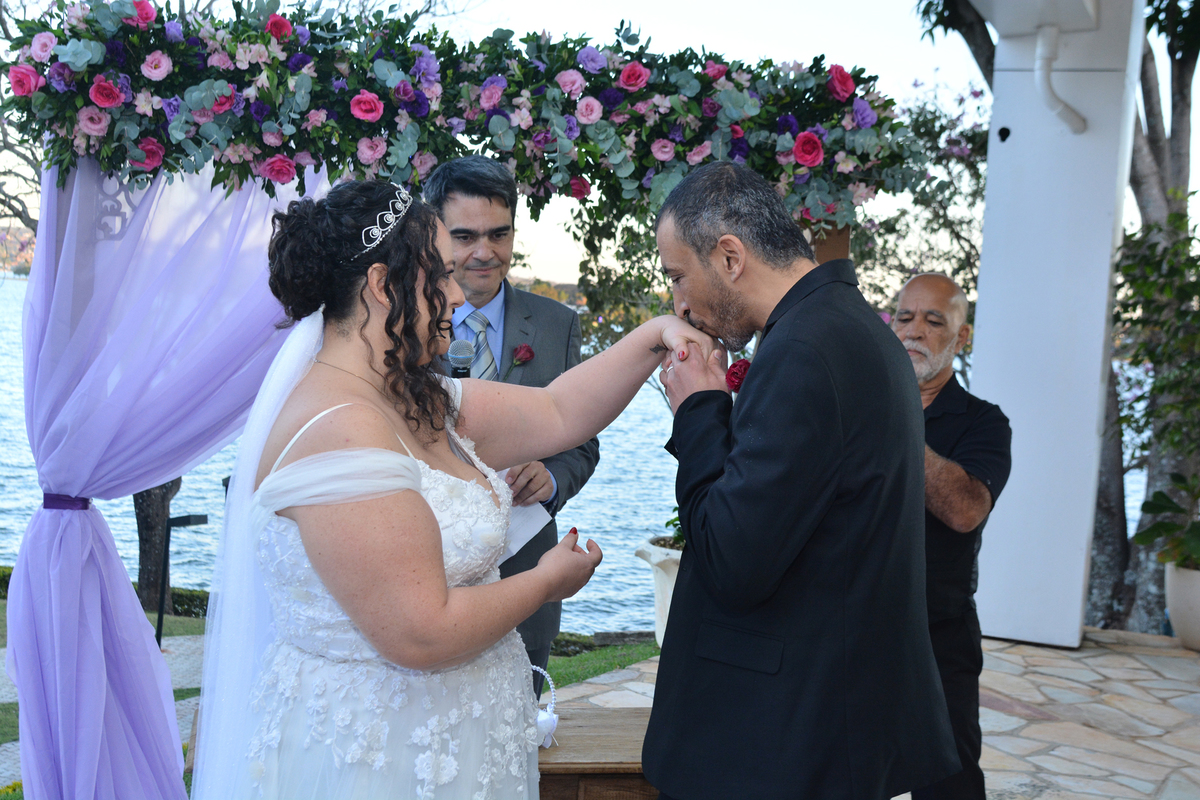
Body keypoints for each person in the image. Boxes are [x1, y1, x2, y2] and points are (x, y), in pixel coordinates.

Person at [190, 179, 710, 800]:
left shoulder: (413, 394)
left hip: (466, 741)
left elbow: (558, 410)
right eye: (440, 274)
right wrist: (546, 581)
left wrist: (656, 335)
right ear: (383, 286)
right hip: (382, 756)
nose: (459, 293)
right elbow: (422, 633)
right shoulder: (338, 429)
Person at [643, 162, 959, 800]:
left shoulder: (803, 351)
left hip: (787, 741)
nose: (679, 303)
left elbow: (734, 560)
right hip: (833, 718)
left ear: (729, 257)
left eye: (678, 276)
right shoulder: (850, 325)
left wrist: (699, 410)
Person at [422, 156, 599, 696]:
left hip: (527, 570)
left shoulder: (556, 324)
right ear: (435, 234)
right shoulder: (404, 323)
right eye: (465, 236)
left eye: (499, 234)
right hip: (428, 568)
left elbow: (582, 443)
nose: (484, 252)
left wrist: (552, 478)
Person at [890, 274, 1012, 800]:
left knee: (949, 782)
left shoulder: (984, 423)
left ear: (961, 338)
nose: (914, 331)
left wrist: (892, 423)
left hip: (938, 634)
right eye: (904, 317)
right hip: (851, 629)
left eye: (933, 320)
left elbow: (965, 510)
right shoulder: (850, 406)